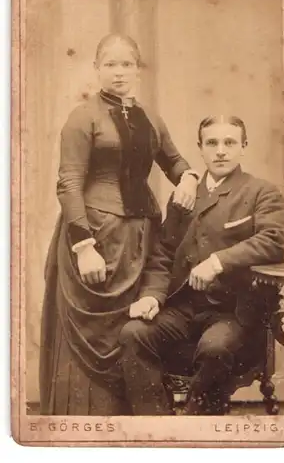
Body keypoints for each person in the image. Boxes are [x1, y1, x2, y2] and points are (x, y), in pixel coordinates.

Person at [39, 33, 200, 415]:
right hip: (94, 237)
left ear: (138, 70)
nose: (119, 72)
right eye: (110, 64)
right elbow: (69, 183)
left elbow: (174, 161)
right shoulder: (82, 117)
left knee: (134, 331)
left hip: (140, 240)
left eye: (127, 63)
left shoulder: (150, 117)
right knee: (95, 337)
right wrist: (83, 246)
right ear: (97, 69)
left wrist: (190, 177)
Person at [119, 115, 284, 415]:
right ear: (201, 148)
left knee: (215, 349)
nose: (221, 151)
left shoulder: (261, 192)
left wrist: (219, 261)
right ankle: (157, 427)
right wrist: (151, 296)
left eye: (230, 143)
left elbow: (276, 238)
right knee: (133, 334)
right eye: (212, 143)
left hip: (232, 312)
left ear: (243, 147)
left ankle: (197, 427)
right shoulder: (185, 196)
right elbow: (162, 253)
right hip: (183, 309)